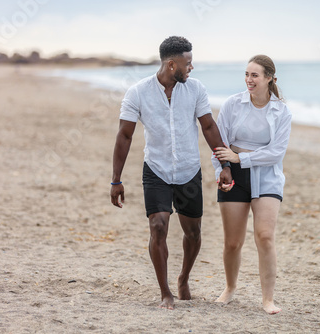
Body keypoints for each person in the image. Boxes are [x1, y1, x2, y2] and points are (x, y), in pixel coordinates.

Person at [110, 36, 233, 310]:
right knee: (158, 227)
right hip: (156, 170)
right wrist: (116, 179)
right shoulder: (138, 92)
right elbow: (124, 136)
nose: (192, 68)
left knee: (193, 232)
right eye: (188, 63)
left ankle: (183, 278)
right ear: (172, 64)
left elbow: (209, 127)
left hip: (189, 170)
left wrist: (225, 164)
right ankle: (165, 291)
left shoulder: (196, 89)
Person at [212, 55, 292, 314]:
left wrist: (241, 157)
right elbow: (219, 143)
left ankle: (268, 299)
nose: (249, 80)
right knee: (233, 242)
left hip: (267, 175)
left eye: (255, 75)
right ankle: (230, 288)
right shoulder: (233, 104)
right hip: (233, 173)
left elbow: (276, 152)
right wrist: (222, 170)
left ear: (269, 78)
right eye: (247, 74)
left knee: (265, 236)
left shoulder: (282, 110)